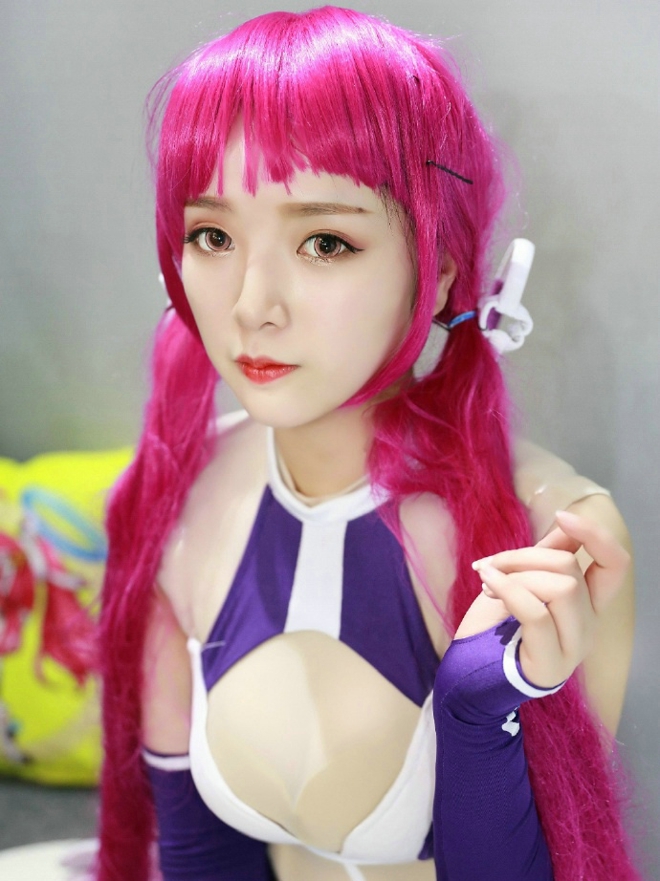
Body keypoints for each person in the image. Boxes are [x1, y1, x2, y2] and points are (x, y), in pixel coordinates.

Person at [97, 7, 640, 880]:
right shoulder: (180, 491)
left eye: (324, 242)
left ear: (441, 272)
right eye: (212, 236)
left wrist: (479, 708)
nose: (252, 305)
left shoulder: (553, 539)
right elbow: (203, 854)